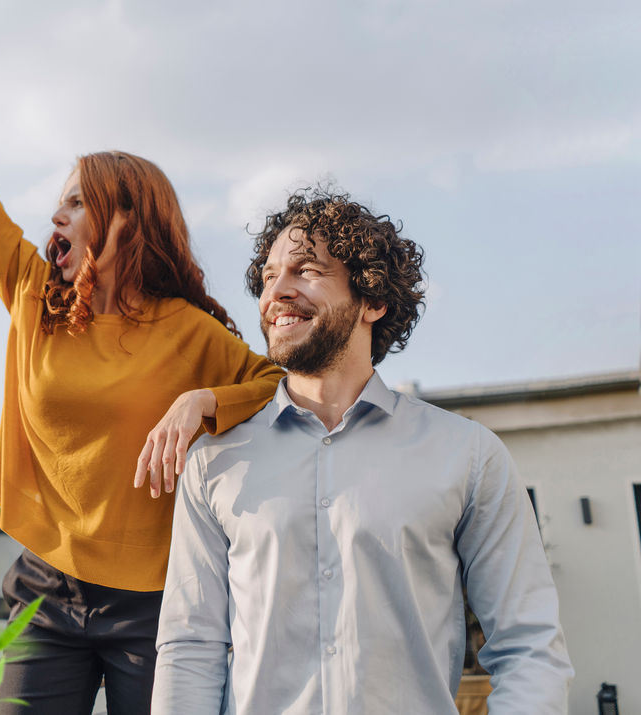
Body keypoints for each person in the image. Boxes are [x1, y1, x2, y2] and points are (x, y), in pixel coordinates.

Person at [0, 12, 284, 713]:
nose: (55, 216)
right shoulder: (37, 298)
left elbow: (276, 386)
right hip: (48, 587)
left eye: (75, 202)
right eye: (57, 202)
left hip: (154, 605)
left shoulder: (190, 333)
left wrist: (202, 402)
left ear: (124, 218)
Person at [152, 188, 574, 713]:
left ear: (373, 300)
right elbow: (190, 648)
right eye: (267, 277)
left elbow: (529, 645)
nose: (276, 292)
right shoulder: (213, 465)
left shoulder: (468, 456)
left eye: (304, 270)